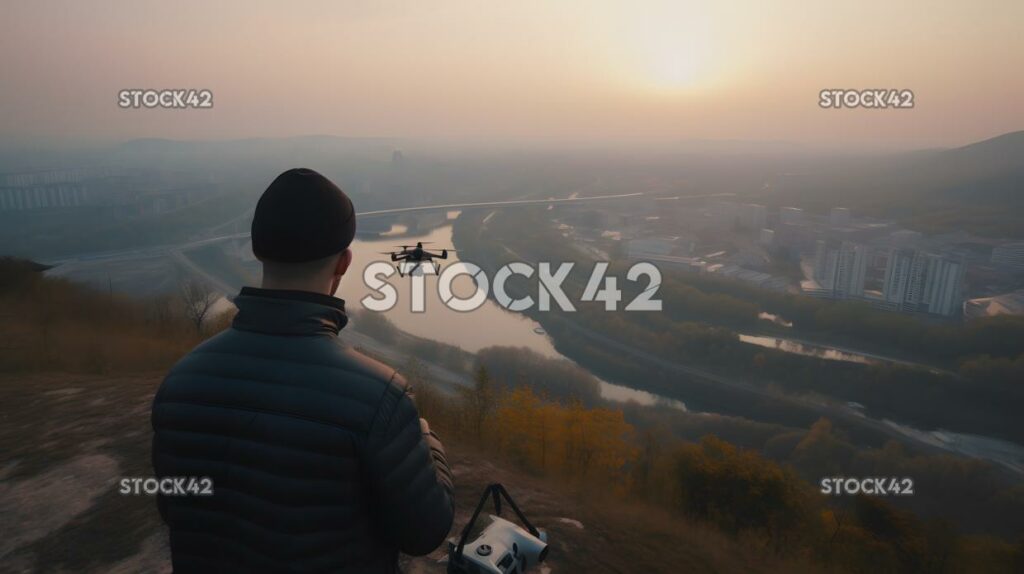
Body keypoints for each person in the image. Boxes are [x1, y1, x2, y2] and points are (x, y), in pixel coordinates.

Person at [151, 168, 455, 573]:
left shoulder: (181, 381)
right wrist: (425, 439)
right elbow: (425, 533)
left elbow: (175, 510)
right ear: (344, 262)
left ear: (258, 251)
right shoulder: (380, 398)